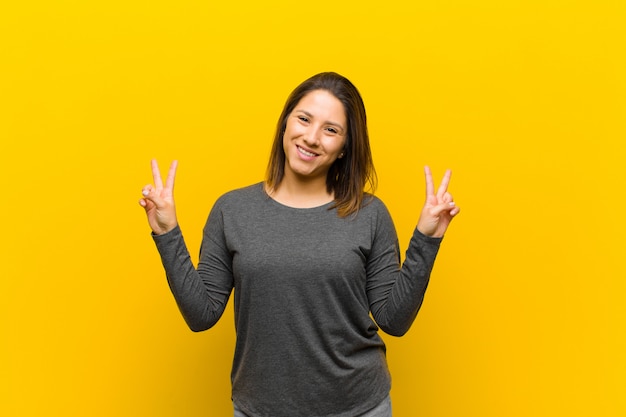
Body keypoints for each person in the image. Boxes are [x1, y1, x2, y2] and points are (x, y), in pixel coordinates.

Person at [139, 72, 460, 417]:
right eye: (304, 119)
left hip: (359, 407)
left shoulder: (370, 214)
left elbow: (394, 321)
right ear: (285, 123)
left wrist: (427, 239)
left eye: (331, 129)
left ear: (344, 149)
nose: (311, 138)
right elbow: (201, 315)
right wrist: (167, 233)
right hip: (260, 409)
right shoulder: (231, 211)